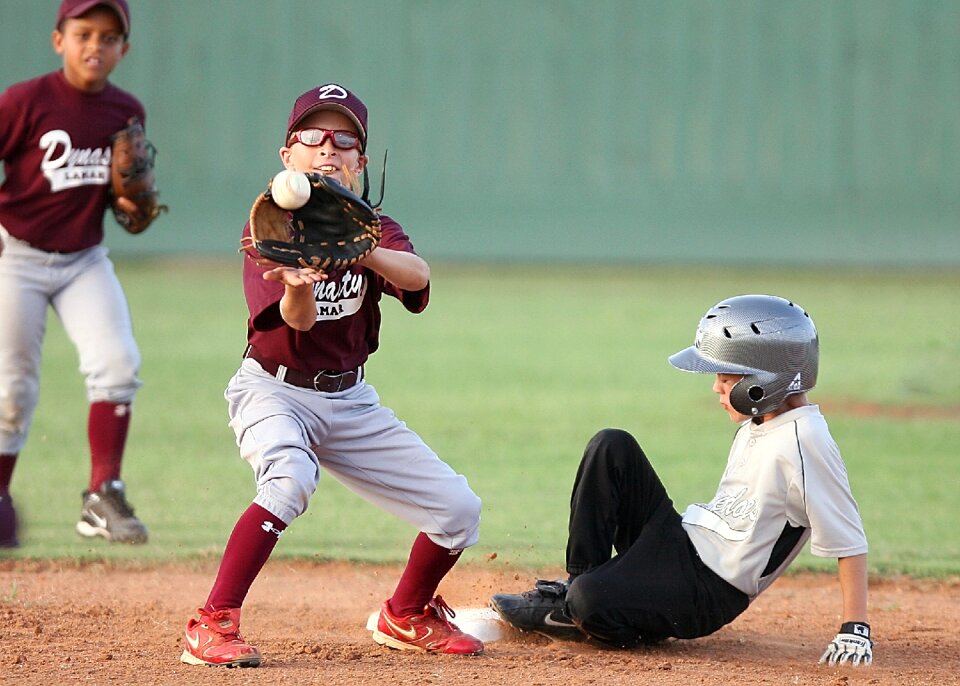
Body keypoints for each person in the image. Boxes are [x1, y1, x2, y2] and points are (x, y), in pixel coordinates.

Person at [179, 83, 484, 668]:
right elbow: (294, 322)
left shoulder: (376, 228)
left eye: (344, 140)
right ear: (288, 156)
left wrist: (362, 250)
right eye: (312, 137)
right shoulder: (269, 229)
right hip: (273, 389)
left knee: (458, 510)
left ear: (361, 162)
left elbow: (416, 278)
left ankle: (407, 614)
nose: (328, 148)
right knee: (289, 479)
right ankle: (212, 623)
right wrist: (299, 287)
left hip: (351, 400)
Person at [491, 295, 873, 667]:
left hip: (708, 590)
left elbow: (848, 536)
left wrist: (854, 628)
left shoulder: (806, 440)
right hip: (683, 542)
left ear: (761, 383)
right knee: (612, 445)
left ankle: (581, 607)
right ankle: (572, 590)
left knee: (591, 601)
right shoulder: (762, 422)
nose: (716, 389)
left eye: (725, 378)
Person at [0, 0, 149, 548]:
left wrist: (131, 205)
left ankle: (102, 496)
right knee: (11, 389)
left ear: (123, 50)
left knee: (117, 362)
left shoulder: (126, 110)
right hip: (15, 256)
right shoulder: (24, 102)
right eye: (84, 33)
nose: (96, 46)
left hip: (83, 259)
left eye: (109, 37)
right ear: (58, 39)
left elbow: (126, 204)